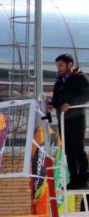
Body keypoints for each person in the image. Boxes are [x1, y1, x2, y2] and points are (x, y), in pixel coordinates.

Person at [48, 53, 89, 189]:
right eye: (57, 65)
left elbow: (86, 95)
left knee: (78, 149)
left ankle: (83, 180)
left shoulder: (80, 78)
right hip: (63, 119)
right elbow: (56, 98)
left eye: (61, 65)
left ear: (70, 64)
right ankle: (74, 180)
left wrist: (70, 103)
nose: (59, 68)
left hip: (76, 118)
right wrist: (51, 104)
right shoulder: (60, 81)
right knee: (68, 151)